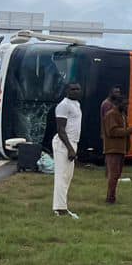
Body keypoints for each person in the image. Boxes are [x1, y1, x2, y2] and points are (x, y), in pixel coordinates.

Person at [102, 92, 132, 204]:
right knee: (113, 175)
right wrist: (131, 130)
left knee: (117, 175)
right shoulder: (111, 114)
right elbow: (112, 131)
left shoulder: (123, 115)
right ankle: (110, 198)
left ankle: (112, 196)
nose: (126, 106)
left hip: (121, 149)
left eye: (127, 104)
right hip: (113, 149)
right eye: (124, 104)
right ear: (117, 104)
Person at [52, 83, 83, 218]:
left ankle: (62, 205)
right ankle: (60, 208)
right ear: (67, 90)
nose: (75, 91)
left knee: (68, 176)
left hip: (73, 142)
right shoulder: (63, 105)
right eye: (72, 89)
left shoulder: (76, 104)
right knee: (62, 176)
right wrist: (70, 149)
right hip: (64, 143)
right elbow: (61, 130)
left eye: (77, 89)